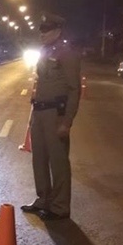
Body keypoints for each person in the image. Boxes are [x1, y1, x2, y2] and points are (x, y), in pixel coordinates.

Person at [21, 12, 81, 221]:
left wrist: (67, 121)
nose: (42, 34)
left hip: (56, 114)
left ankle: (60, 206)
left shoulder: (67, 54)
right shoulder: (44, 52)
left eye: (46, 30)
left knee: (58, 161)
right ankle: (43, 199)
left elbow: (74, 89)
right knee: (39, 159)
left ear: (58, 31)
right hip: (39, 112)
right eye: (41, 30)